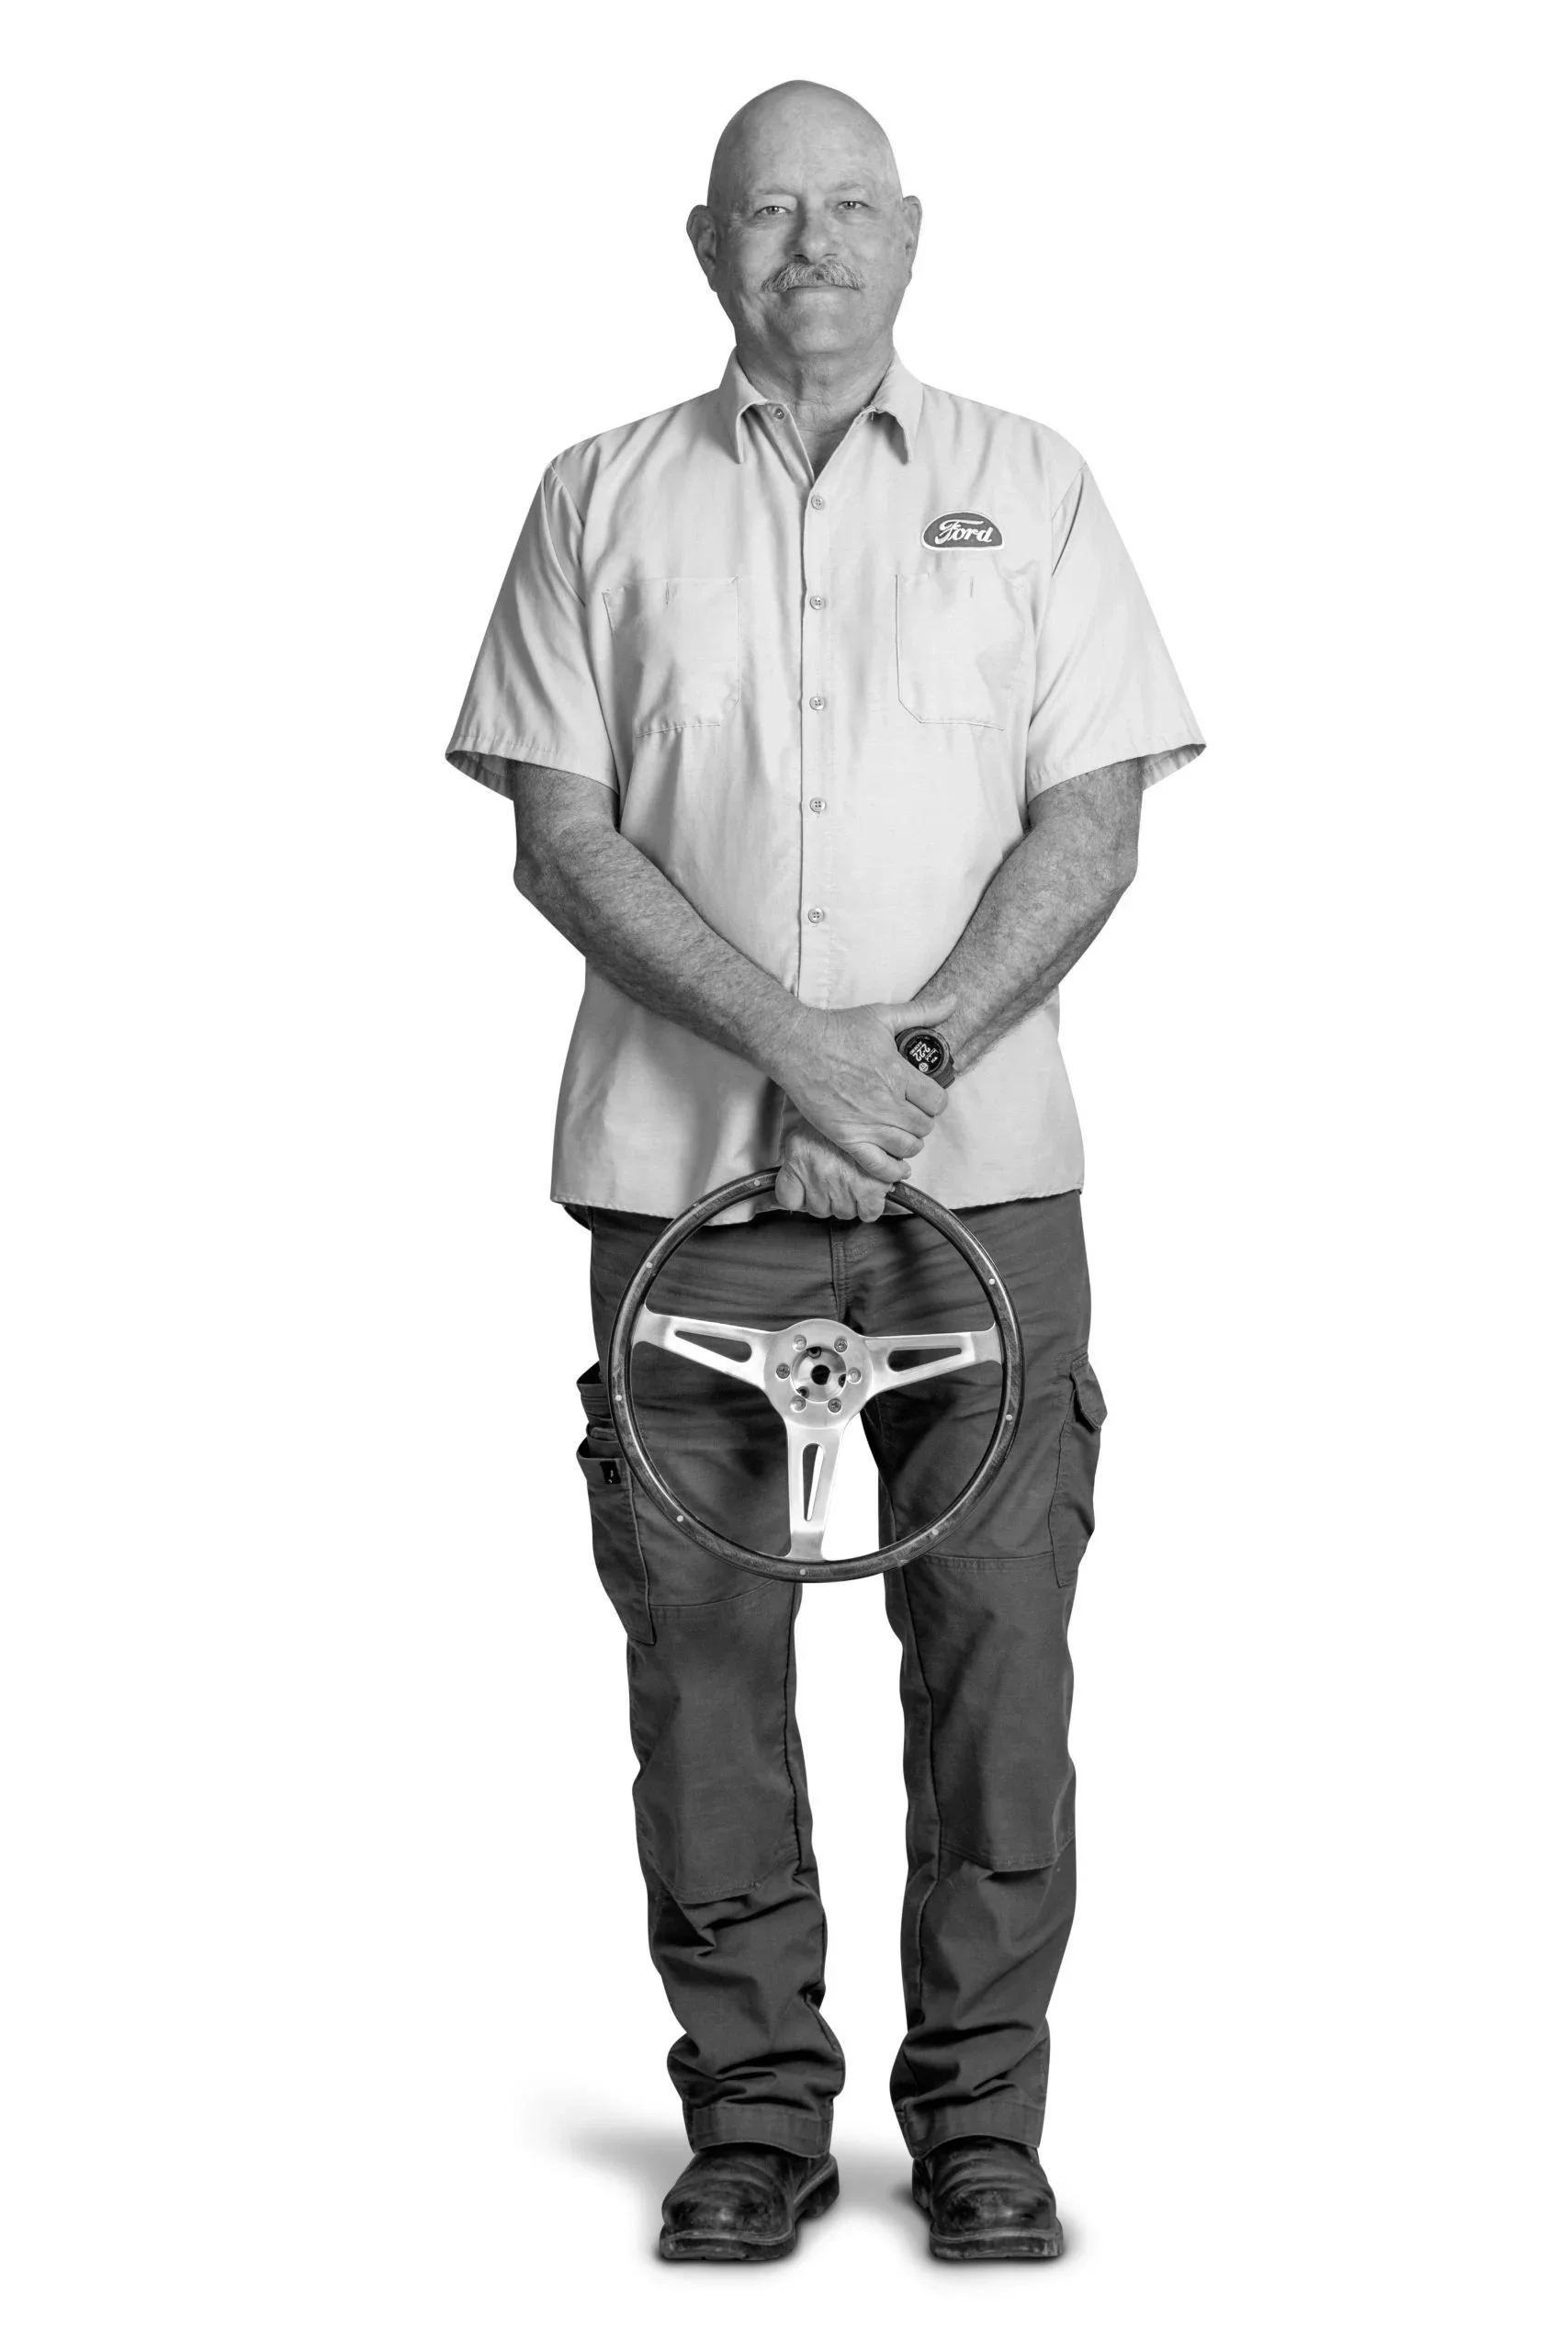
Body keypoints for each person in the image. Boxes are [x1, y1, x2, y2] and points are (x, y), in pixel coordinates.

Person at [445, 77, 1202, 2263]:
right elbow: (559, 829)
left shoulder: (1029, 489)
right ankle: (754, 2122)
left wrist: (917, 1060)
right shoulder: (596, 495)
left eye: (849, 208)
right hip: (678, 1193)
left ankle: (981, 2125)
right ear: (705, 246)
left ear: (914, 232)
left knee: (997, 1663)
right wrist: (792, 1051)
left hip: (986, 1205)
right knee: (698, 1665)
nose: (813, 248)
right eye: (769, 215)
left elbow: (1095, 816)